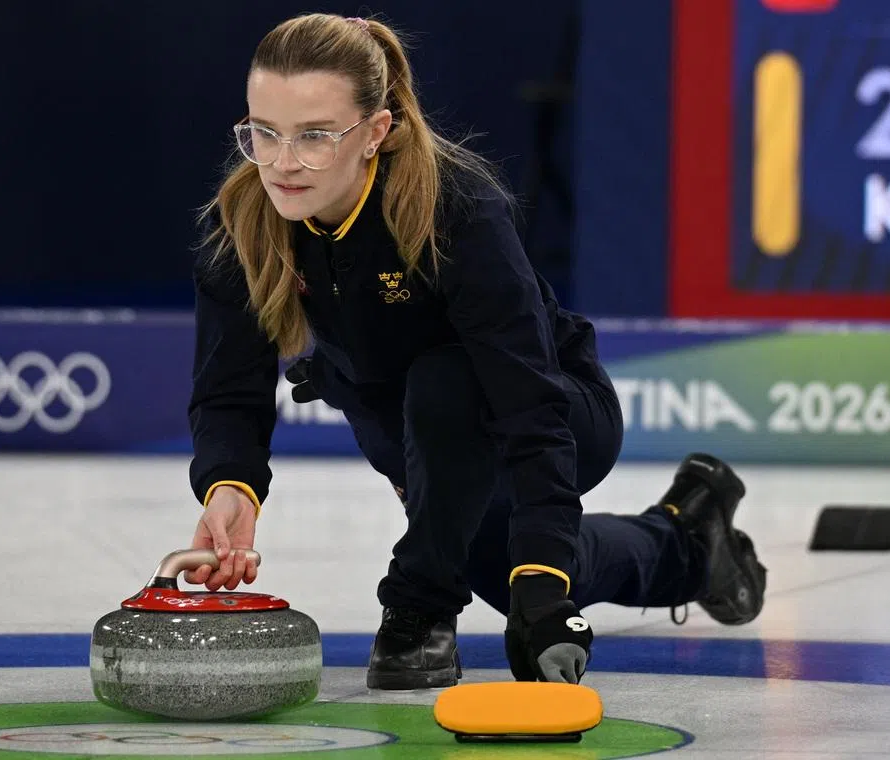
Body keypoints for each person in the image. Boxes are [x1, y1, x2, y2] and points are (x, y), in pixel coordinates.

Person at [183, 11, 767, 690]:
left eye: (315, 136)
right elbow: (228, 388)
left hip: (555, 411)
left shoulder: (454, 207)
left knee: (455, 405)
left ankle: (417, 604)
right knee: (496, 568)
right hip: (417, 436)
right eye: (265, 132)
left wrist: (544, 588)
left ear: (377, 131)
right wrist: (233, 488)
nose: (282, 162)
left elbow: (528, 399)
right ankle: (689, 542)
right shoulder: (250, 217)